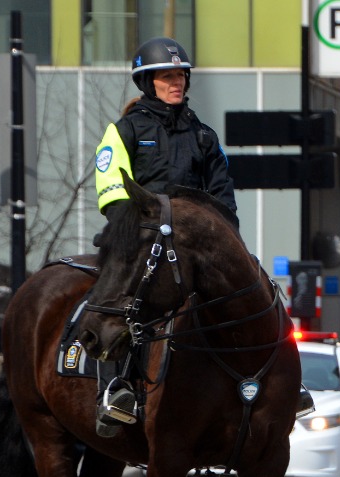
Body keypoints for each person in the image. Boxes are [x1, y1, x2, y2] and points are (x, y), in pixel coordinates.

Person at [91, 36, 238, 431]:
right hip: (139, 239)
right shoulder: (125, 130)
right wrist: (138, 229)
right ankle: (116, 389)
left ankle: (271, 381)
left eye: (180, 76)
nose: (176, 82)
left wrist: (223, 238)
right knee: (116, 305)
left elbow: (223, 194)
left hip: (194, 243)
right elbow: (110, 187)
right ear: (147, 82)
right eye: (166, 76)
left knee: (250, 284)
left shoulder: (204, 136)